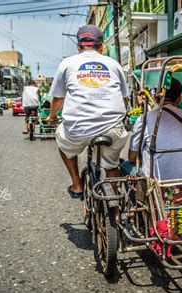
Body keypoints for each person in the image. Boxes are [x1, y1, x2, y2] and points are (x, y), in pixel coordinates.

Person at [47, 25, 129, 199]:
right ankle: (114, 206)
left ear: (78, 46)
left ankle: (77, 185)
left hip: (78, 128)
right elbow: (124, 100)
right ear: (101, 46)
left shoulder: (67, 63)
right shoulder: (114, 65)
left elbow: (58, 99)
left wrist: (52, 116)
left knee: (64, 145)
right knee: (111, 165)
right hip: (112, 128)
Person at [128, 78, 182, 180]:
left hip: (158, 185)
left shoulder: (145, 118)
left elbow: (132, 156)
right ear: (178, 98)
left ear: (155, 97)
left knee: (127, 167)